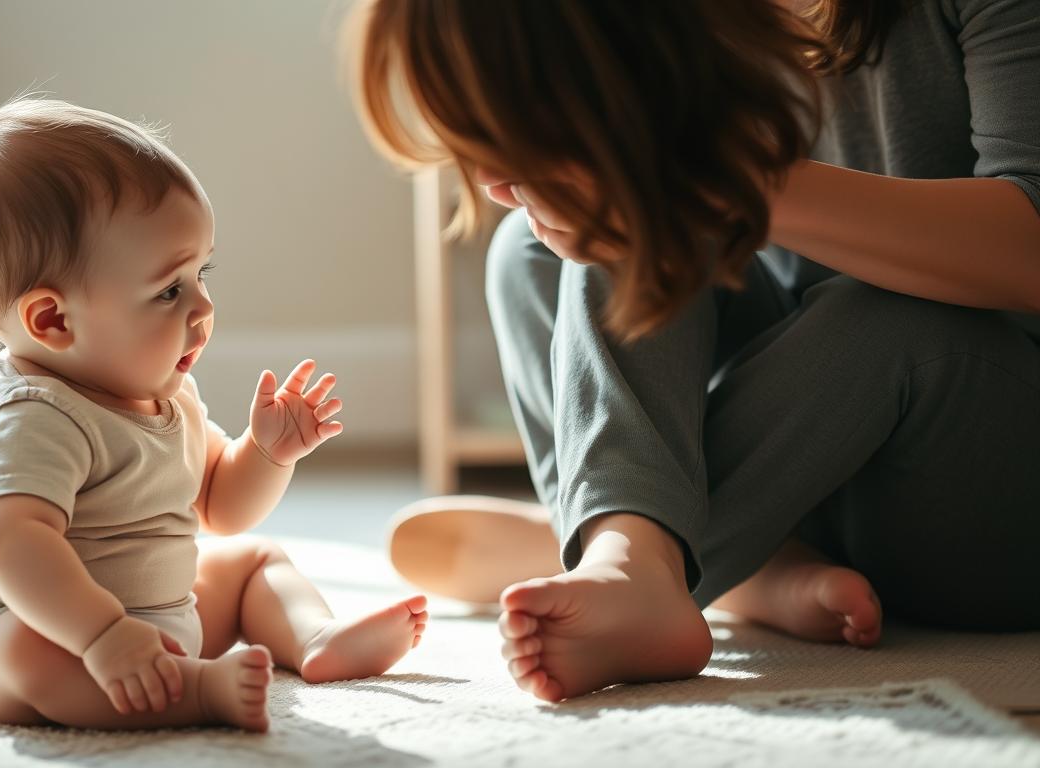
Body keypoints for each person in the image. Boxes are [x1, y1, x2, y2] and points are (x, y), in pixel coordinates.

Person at [347, 0, 1040, 703]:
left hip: (983, 474)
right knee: (534, 251)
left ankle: (645, 544)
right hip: (816, 449)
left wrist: (713, 184)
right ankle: (645, 555)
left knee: (885, 315)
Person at [0, 97, 429, 731]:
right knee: (29, 652)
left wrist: (264, 455)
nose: (204, 307)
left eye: (202, 273)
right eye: (169, 290)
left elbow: (220, 506)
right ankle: (198, 692)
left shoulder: (163, 390)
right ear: (54, 320)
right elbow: (11, 544)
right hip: (26, 631)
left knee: (253, 562)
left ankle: (314, 637)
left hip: (157, 616)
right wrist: (102, 636)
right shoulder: (29, 418)